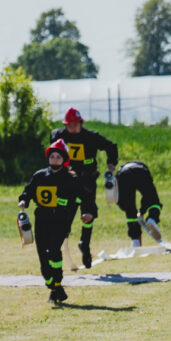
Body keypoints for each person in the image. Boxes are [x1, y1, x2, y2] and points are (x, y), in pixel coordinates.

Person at [18, 140, 93, 305]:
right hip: (41, 219)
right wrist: (24, 200)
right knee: (43, 257)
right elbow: (28, 191)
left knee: (53, 251)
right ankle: (52, 285)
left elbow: (85, 196)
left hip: (60, 220)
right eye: (52, 156)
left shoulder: (71, 179)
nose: (55, 159)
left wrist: (88, 212)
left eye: (58, 157)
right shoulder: (39, 176)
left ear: (64, 159)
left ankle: (57, 284)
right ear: (48, 158)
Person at [50, 108, 117, 268]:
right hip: (68, 179)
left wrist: (111, 163)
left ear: (81, 123)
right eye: (69, 125)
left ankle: (84, 244)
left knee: (89, 212)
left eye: (75, 125)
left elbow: (111, 146)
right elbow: (52, 148)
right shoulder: (59, 136)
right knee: (66, 211)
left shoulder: (91, 137)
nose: (72, 128)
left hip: (87, 179)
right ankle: (59, 243)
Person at [114, 160, 165, 246]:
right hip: (141, 171)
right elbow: (147, 197)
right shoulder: (143, 167)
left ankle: (135, 241)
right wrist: (142, 211)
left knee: (130, 209)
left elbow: (120, 200)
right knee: (154, 201)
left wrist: (135, 211)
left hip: (123, 175)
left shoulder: (120, 170)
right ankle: (152, 218)